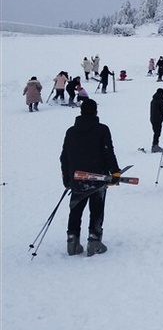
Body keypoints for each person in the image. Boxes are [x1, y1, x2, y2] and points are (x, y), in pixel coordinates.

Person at [60, 97, 120, 256]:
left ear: (81, 111)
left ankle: (72, 241)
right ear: (96, 111)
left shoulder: (71, 132)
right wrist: (115, 172)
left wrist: (67, 178)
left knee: (75, 209)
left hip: (77, 179)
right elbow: (108, 152)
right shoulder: (102, 129)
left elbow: (64, 157)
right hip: (97, 179)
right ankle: (94, 241)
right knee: (96, 209)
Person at [150, 87, 163, 153]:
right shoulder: (160, 101)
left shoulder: (153, 100)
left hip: (153, 118)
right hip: (158, 119)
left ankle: (155, 145)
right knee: (157, 133)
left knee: (156, 132)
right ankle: (155, 146)